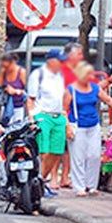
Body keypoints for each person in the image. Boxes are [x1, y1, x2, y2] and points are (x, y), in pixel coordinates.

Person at [64, 55, 112, 197]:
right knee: (78, 157)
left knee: (94, 155)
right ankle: (79, 186)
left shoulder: (95, 88)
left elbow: (108, 100)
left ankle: (91, 185)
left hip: (93, 125)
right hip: (78, 126)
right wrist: (67, 126)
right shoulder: (71, 90)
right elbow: (64, 109)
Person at [27, 49, 69, 193]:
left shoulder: (62, 76)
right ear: (51, 61)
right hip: (42, 115)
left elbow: (65, 95)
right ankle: (37, 183)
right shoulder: (38, 75)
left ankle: (40, 180)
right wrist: (32, 118)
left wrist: (65, 115)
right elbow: (30, 99)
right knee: (44, 151)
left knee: (56, 151)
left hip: (58, 116)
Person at [0, 52, 28, 127]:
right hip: (6, 106)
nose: (6, 69)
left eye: (7, 67)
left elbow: (28, 92)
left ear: (13, 63)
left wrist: (15, 91)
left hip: (18, 106)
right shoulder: (4, 72)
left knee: (16, 127)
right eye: (4, 66)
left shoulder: (21, 72)